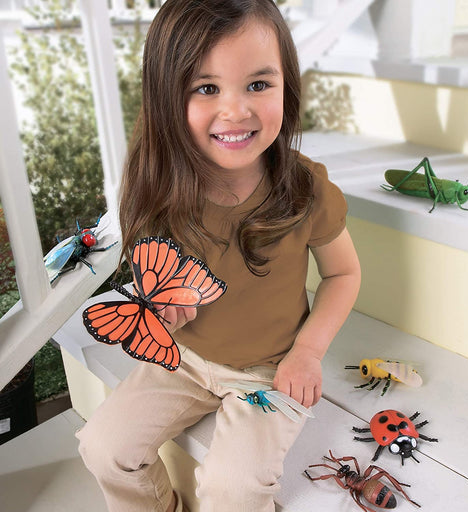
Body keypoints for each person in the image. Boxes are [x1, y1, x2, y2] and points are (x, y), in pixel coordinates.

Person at [76, 1, 361, 511]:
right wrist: (165, 309)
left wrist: (308, 352)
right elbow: (155, 272)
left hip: (269, 369)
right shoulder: (157, 186)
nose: (236, 111)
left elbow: (342, 273)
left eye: (258, 84)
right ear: (166, 97)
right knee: (103, 448)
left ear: (287, 86)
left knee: (233, 490)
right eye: (207, 88)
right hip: (182, 358)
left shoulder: (305, 187)